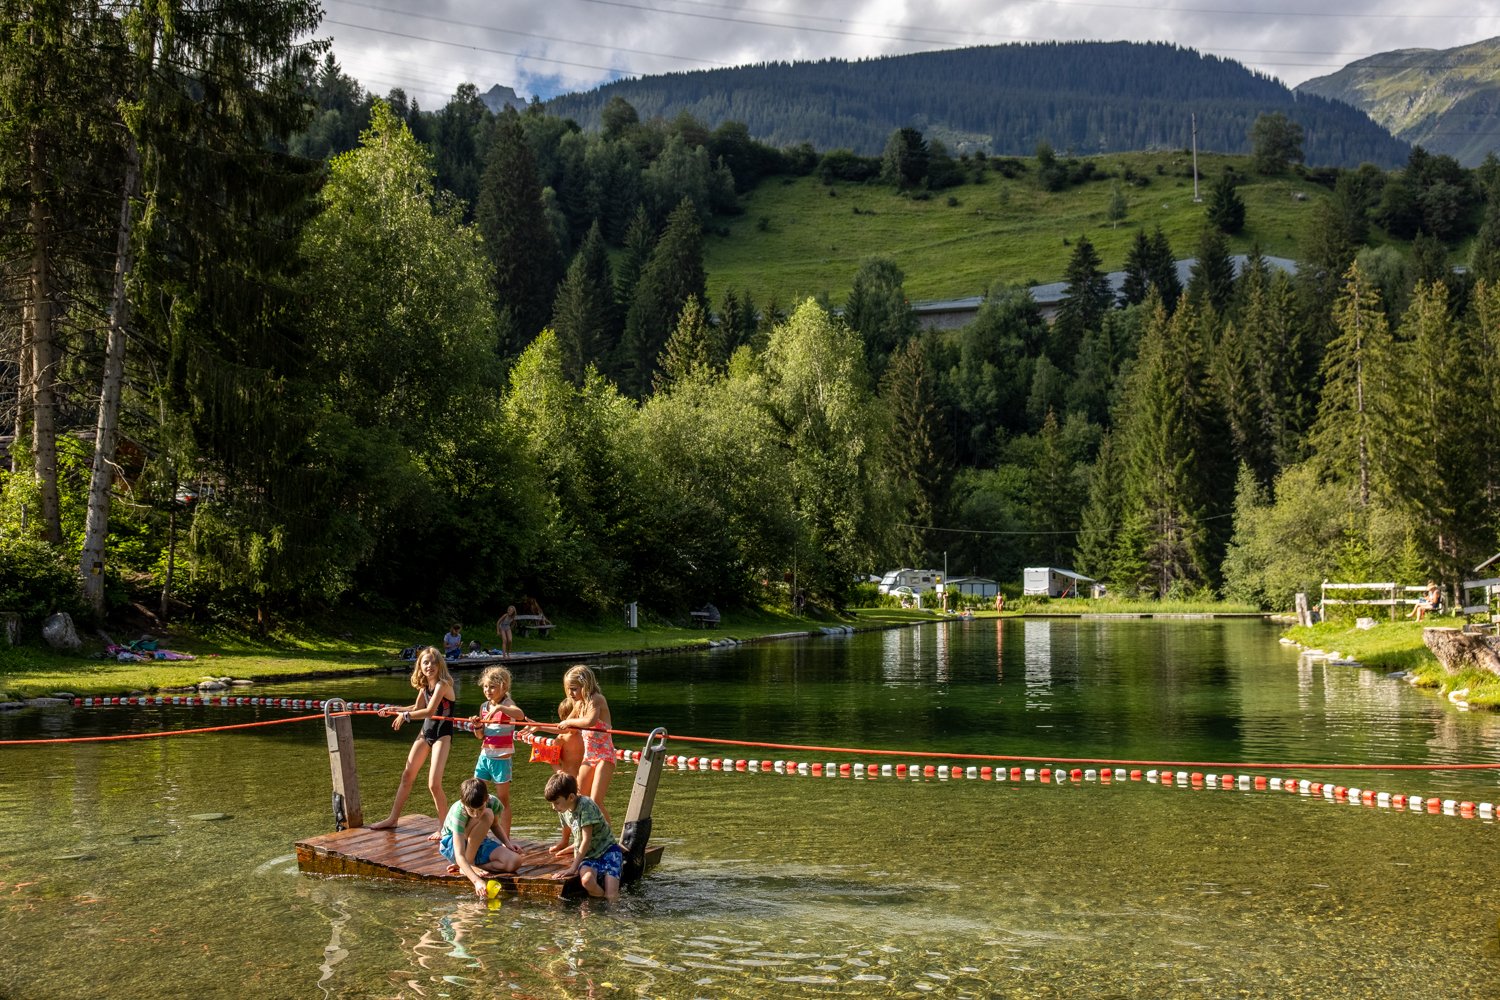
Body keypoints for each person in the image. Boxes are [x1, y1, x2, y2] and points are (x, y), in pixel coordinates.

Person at [370, 646, 457, 838]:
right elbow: (417, 706)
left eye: (434, 662)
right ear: (420, 666)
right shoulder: (425, 686)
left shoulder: (443, 685)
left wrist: (406, 716)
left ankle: (444, 827)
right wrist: (394, 709)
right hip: (426, 732)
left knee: (433, 783)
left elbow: (429, 711)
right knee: (407, 774)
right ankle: (393, 819)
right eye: (426, 662)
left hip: (442, 734)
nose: (430, 666)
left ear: (440, 664)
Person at [470, 666, 530, 837]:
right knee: (476, 795)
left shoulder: (507, 704)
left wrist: (499, 708)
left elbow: (519, 715)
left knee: (503, 801)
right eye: (485, 687)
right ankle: (476, 832)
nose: (488, 690)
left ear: (503, 687)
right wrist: (477, 726)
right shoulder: (483, 706)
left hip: (501, 759)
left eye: (492, 687)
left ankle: (506, 838)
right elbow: (480, 736)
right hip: (485, 756)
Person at [544, 772, 623, 900]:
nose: (554, 807)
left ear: (570, 797)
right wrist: (568, 846)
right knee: (587, 882)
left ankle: (610, 910)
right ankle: (600, 907)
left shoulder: (586, 805)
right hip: (588, 856)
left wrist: (572, 868)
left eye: (556, 802)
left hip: (607, 851)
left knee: (611, 895)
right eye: (552, 803)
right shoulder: (563, 809)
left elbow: (586, 839)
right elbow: (574, 832)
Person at [441, 777, 522, 898]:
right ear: (463, 803)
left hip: (476, 841)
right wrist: (477, 881)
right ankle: (469, 864)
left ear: (487, 799)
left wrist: (507, 843)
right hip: (453, 844)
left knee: (515, 861)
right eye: (471, 810)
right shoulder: (459, 812)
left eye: (480, 809)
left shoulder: (493, 802)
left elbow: (495, 825)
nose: (476, 814)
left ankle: (467, 867)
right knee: (487, 814)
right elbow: (459, 854)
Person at [556, 664, 615, 822]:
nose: (570, 693)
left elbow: (589, 721)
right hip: (589, 758)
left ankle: (609, 839)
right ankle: (585, 835)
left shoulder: (597, 700)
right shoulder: (578, 704)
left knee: (595, 801)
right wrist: (537, 726)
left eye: (574, 689)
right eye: (568, 689)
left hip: (605, 756)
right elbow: (563, 728)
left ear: (586, 685)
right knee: (579, 799)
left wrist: (570, 722)